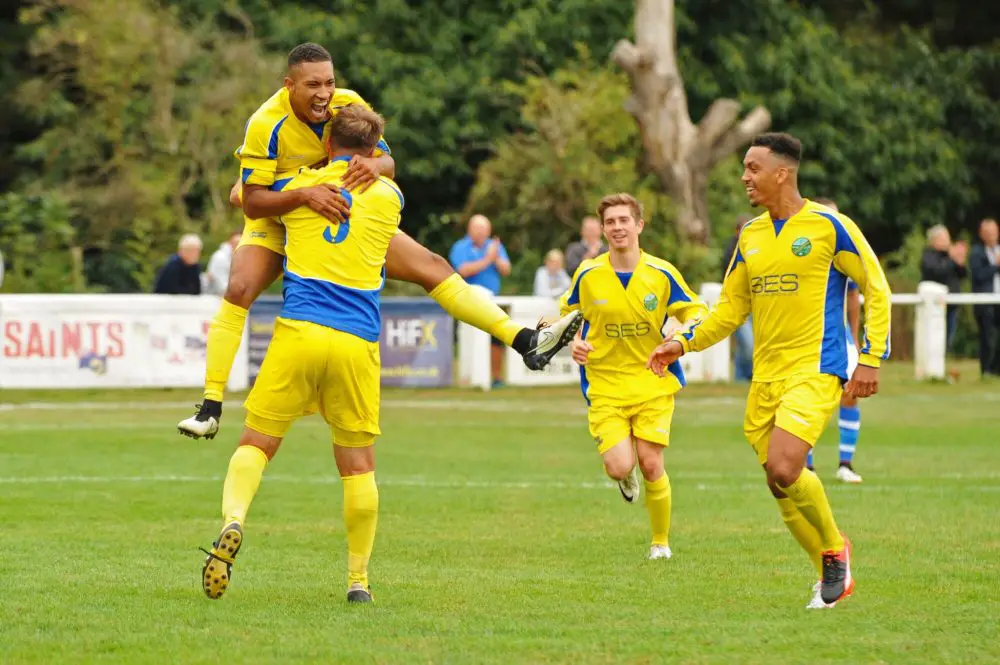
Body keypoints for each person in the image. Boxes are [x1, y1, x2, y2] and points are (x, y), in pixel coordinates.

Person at [178, 43, 581, 439]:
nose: (324, 94)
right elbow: (248, 200)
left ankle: (525, 339)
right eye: (313, 85)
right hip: (283, 213)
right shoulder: (266, 122)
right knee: (238, 288)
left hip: (338, 214)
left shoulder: (348, 104)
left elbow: (388, 162)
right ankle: (211, 406)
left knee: (434, 267)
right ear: (289, 85)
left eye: (329, 83)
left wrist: (374, 164)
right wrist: (305, 194)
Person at [647, 133, 891, 609]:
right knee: (777, 482)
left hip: (816, 368)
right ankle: (827, 572)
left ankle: (834, 550)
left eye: (753, 168)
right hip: (766, 377)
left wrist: (871, 356)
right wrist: (682, 341)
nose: (744, 177)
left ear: (783, 172)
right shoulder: (751, 236)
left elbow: (875, 286)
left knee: (785, 465)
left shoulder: (829, 226)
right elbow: (730, 309)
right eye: (744, 167)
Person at [200, 105, 403, 604]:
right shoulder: (392, 197)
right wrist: (378, 166)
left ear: (328, 142)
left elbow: (253, 200)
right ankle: (358, 582)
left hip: (300, 331)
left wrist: (248, 191)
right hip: (357, 340)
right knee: (358, 465)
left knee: (255, 444)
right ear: (374, 150)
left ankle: (233, 521)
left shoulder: (303, 186)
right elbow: (383, 171)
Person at [560, 193, 707, 560]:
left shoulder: (662, 272)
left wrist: (680, 336)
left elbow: (698, 312)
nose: (617, 227)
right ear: (603, 229)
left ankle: (660, 543)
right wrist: (574, 343)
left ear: (639, 225)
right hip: (605, 383)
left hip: (651, 379)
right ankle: (625, 476)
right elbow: (564, 318)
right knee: (618, 465)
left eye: (624, 220)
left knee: (652, 462)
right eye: (610, 222)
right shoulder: (589, 273)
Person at [806, 198, 863, 484]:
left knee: (850, 393)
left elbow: (853, 297)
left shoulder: (842, 253)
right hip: (806, 339)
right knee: (808, 401)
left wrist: (853, 335)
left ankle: (845, 463)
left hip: (840, 338)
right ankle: (808, 466)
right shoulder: (803, 253)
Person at [449, 215, 512, 388]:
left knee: (496, 338)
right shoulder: (460, 247)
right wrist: (487, 260)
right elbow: (463, 270)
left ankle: (496, 377)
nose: (481, 232)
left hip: (492, 301)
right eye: (478, 228)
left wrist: (496, 257)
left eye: (485, 229)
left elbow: (506, 270)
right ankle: (465, 376)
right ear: (470, 229)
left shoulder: (494, 247)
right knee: (465, 337)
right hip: (466, 300)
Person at [920, 224, 967, 350]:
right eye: (944, 238)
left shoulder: (949, 255)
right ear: (934, 240)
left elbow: (963, 275)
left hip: (952, 303)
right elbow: (937, 273)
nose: (948, 241)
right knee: (933, 337)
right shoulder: (928, 255)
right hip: (935, 304)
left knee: (948, 337)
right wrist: (952, 259)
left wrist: (960, 261)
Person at [722, 214, 754, 381]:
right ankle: (744, 377)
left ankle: (740, 380)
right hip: (740, 307)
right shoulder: (732, 252)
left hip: (758, 305)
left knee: (746, 348)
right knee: (748, 345)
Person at [969, 218, 1000, 377]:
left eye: (994, 232)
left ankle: (997, 369)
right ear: (981, 234)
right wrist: (995, 265)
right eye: (988, 232)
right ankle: (986, 370)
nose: (992, 236)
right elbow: (979, 275)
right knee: (987, 337)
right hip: (985, 301)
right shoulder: (976, 253)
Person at [202, 231, 242, 296]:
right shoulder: (220, 257)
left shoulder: (238, 257)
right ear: (229, 242)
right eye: (236, 243)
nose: (238, 246)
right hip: (213, 298)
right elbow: (222, 286)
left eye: (240, 243)